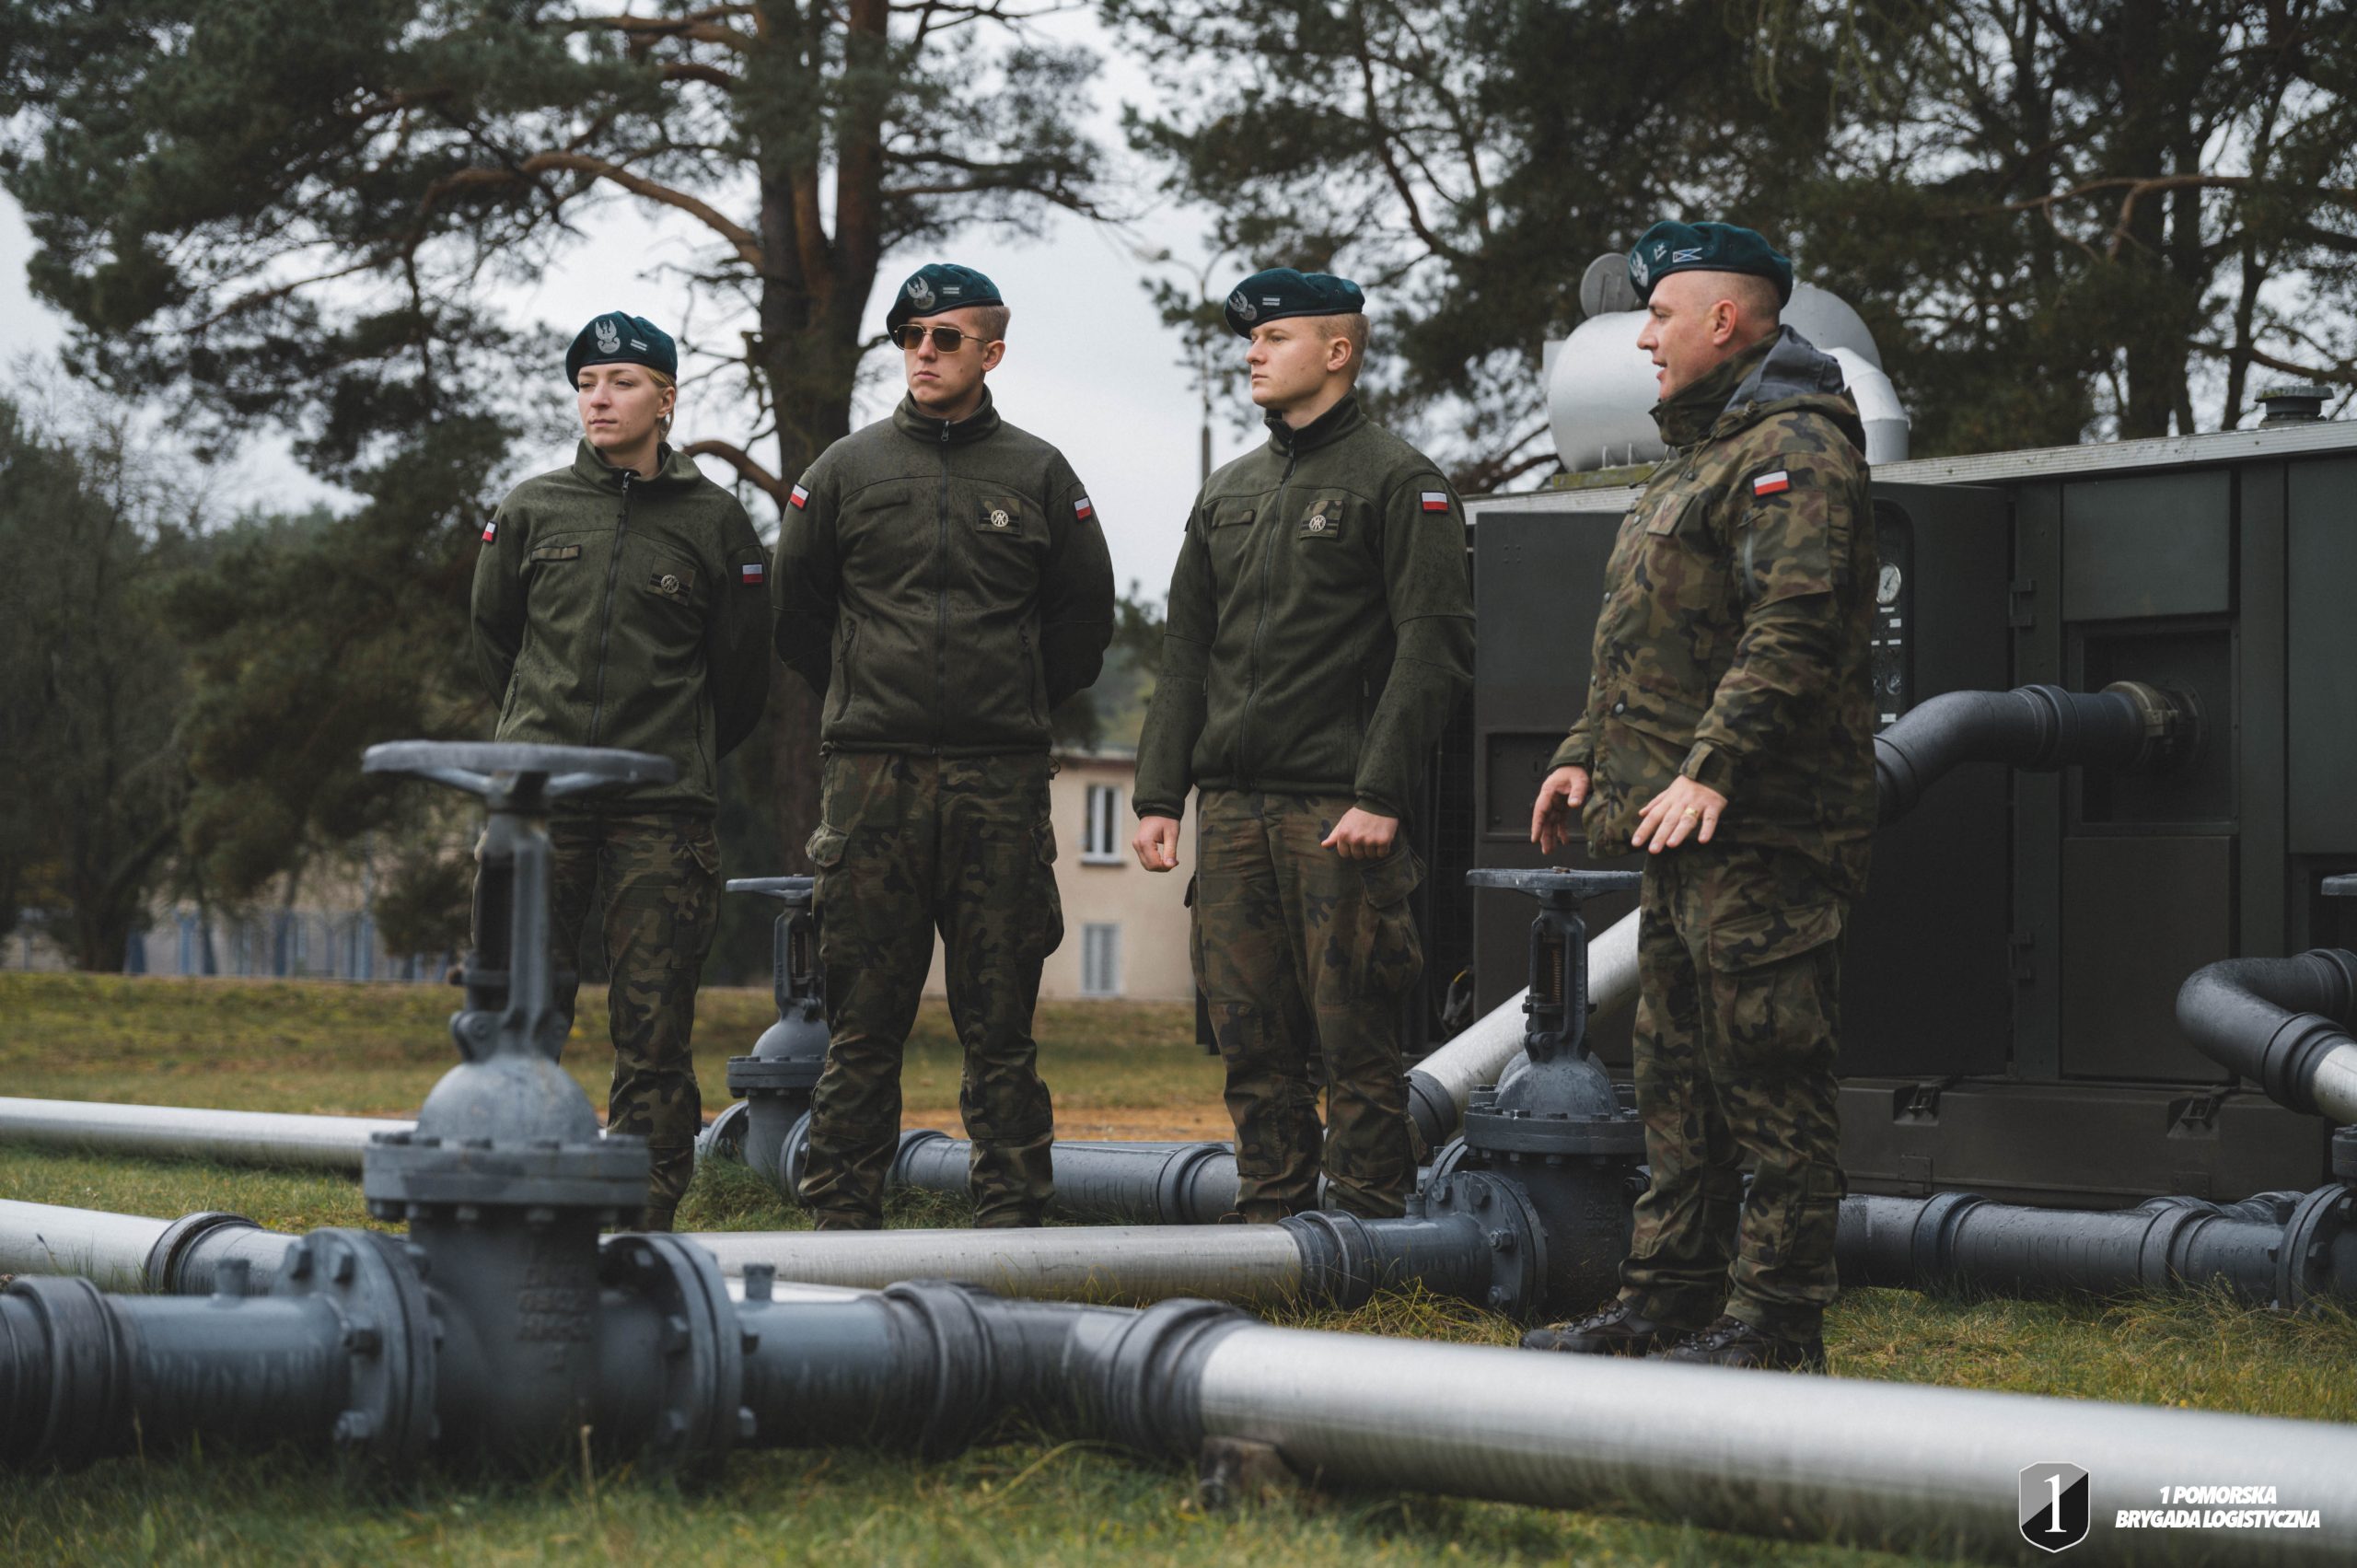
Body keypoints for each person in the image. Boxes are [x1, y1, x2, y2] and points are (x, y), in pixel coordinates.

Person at [1520, 222, 1877, 1371]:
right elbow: (1651, 645)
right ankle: (1666, 1300)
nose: (1644, 337)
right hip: (1682, 834)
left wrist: (1709, 766)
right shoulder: (1699, 455)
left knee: (1771, 1080)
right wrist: (1583, 748)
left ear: (1725, 320)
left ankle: (1776, 1325)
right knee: (1674, 1081)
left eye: (1662, 314)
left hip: (1763, 829)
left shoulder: (1796, 448)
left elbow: (1796, 626)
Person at [773, 262, 1115, 1231]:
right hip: (870, 778)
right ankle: (839, 1218)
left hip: (996, 782)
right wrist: (864, 697)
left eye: (945, 338)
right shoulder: (843, 471)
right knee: (862, 1023)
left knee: (999, 1023)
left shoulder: (1038, 473)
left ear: (990, 352)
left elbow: (1083, 619)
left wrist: (1005, 699)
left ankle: (1011, 1218)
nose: (923, 354)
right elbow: (797, 615)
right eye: (910, 337)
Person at [1130, 268, 1474, 1224]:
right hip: (1233, 813)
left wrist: (1381, 792)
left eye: (1273, 337)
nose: (1252, 354)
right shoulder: (1228, 490)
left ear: (1336, 350)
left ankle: (1366, 1244)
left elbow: (1433, 647)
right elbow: (1186, 654)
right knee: (1251, 1041)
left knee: (1356, 1042)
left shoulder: (1398, 481)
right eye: (1250, 340)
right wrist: (1161, 795)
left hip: (1338, 812)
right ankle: (1269, 1236)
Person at [470, 309, 773, 1231]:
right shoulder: (530, 508)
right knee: (520, 1008)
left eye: (623, 382)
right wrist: (538, 731)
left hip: (661, 802)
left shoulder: (716, 523)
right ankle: (512, 1195)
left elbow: (742, 675)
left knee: (652, 1023)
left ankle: (641, 1215)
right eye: (586, 383)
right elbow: (494, 641)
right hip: (541, 796)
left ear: (666, 399)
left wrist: (672, 748)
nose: (599, 398)